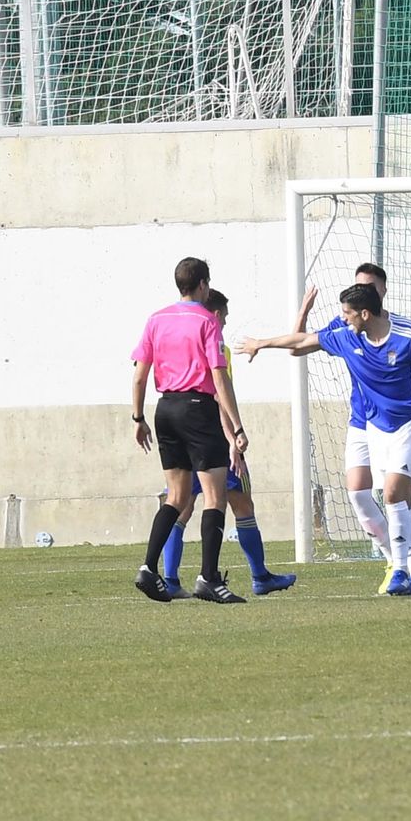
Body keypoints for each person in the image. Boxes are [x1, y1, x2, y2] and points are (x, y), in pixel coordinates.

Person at [242, 284, 411, 596]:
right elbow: (303, 341)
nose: (342, 318)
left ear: (365, 313)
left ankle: (400, 570)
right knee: (393, 498)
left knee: (393, 494)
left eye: (347, 313)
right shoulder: (347, 337)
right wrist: (262, 343)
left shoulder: (407, 335)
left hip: (409, 425)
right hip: (375, 428)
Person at [279, 263, 411, 593]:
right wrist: (303, 313)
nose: (362, 289)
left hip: (403, 420)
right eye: (358, 284)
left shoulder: (403, 331)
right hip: (362, 421)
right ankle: (393, 562)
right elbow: (297, 346)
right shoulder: (347, 324)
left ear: (381, 292)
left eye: (368, 285)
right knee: (359, 492)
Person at [130, 256, 251, 603]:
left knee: (176, 497)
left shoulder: (156, 319)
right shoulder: (207, 321)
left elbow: (139, 375)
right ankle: (209, 578)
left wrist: (137, 419)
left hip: (165, 409)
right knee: (215, 496)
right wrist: (237, 427)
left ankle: (148, 568)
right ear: (203, 284)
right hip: (198, 409)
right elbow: (218, 375)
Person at [160, 289, 295, 598]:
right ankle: (258, 576)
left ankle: (169, 579)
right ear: (217, 315)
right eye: (225, 318)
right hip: (209, 435)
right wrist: (235, 437)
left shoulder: (179, 342)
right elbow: (220, 394)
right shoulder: (216, 345)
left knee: (182, 504)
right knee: (240, 502)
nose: (223, 325)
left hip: (178, 428)